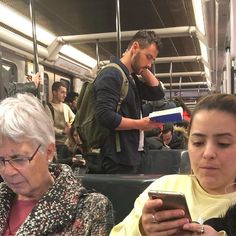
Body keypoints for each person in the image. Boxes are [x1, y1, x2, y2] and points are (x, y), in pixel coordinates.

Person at [110, 93, 236, 236]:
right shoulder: (165, 188)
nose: (207, 153)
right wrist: (142, 230)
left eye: (223, 144)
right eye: (198, 143)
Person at [0, 93, 114, 235]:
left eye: (19, 159)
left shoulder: (91, 209)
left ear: (48, 152)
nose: (8, 171)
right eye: (0, 160)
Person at [94, 30, 165, 174]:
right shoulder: (112, 74)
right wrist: (139, 124)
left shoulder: (130, 77)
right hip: (117, 158)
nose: (150, 64)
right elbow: (104, 116)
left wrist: (143, 66)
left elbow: (157, 92)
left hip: (132, 154)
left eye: (153, 60)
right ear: (134, 47)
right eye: (148, 57)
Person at [49, 81, 75, 160]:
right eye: (62, 92)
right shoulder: (49, 107)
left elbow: (74, 119)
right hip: (56, 145)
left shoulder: (65, 107)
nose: (65, 95)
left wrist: (71, 126)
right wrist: (63, 132)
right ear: (54, 93)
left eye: (65, 93)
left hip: (67, 145)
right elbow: (48, 128)